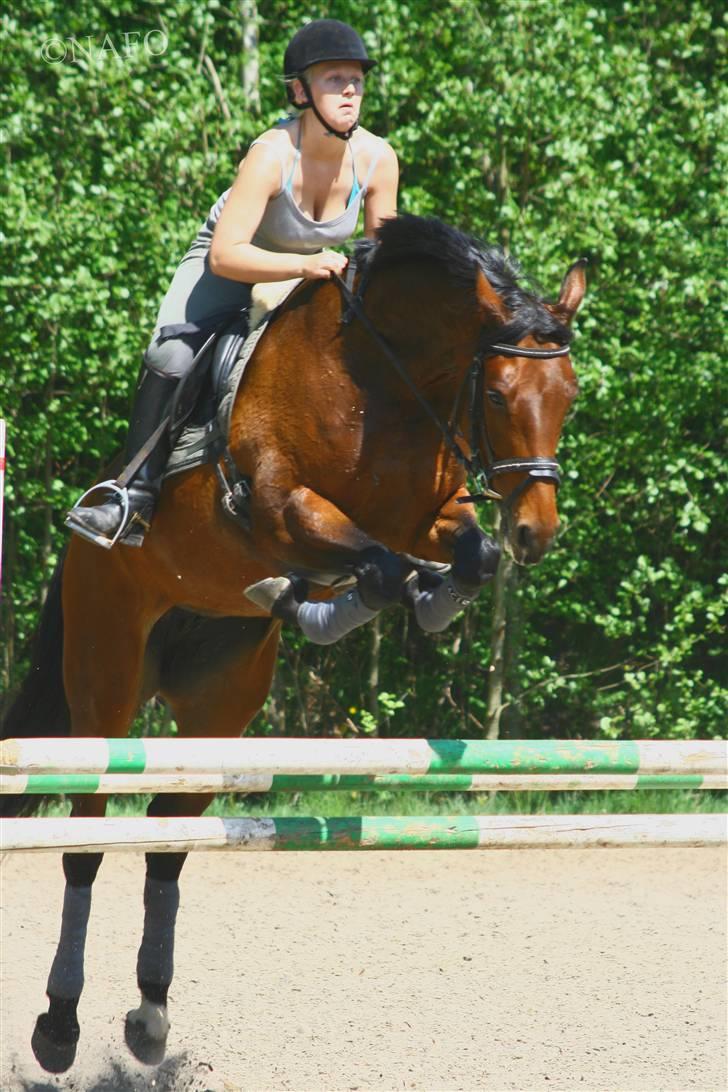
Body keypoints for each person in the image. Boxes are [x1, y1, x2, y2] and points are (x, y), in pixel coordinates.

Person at [65, 19, 399, 548]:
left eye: (356, 78)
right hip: (231, 263)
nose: (351, 89)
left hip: (313, 270)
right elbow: (227, 254)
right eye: (334, 78)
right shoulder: (271, 154)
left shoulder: (378, 159)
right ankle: (131, 494)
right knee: (172, 354)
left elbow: (384, 263)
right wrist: (303, 265)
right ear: (299, 91)